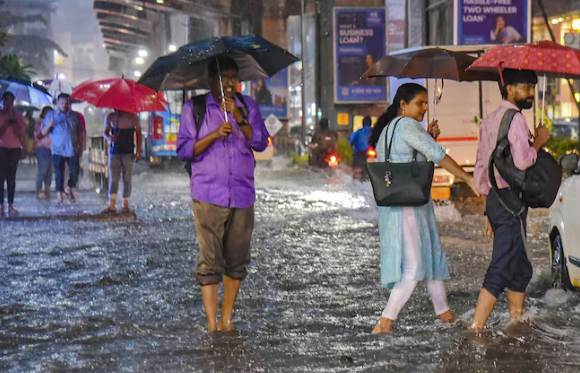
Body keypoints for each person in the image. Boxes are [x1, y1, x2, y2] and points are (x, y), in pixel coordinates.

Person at [368, 83, 478, 334]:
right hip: (408, 207)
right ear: (403, 105)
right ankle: (384, 323)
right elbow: (437, 156)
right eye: (420, 103)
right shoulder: (407, 125)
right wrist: (467, 178)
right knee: (414, 269)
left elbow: (410, 160)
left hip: (404, 204)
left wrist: (428, 136)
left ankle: (446, 316)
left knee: (432, 262)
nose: (425, 108)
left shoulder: (388, 129)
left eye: (427, 103)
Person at [176, 56, 270, 333]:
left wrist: (240, 118)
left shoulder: (247, 106)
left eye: (233, 76)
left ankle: (227, 319)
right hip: (208, 194)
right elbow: (183, 150)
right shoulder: (195, 108)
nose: (229, 82)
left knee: (237, 259)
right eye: (223, 77)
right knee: (210, 259)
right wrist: (215, 134)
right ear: (210, 80)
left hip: (242, 194)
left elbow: (262, 142)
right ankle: (212, 324)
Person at [470, 69, 550, 332]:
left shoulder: (490, 119)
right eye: (526, 88)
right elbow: (523, 161)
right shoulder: (515, 119)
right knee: (502, 263)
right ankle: (476, 328)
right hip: (511, 202)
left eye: (531, 88)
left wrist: (487, 209)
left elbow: (481, 167)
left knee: (520, 266)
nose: (530, 94)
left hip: (496, 199)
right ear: (510, 88)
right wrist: (538, 142)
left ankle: (516, 321)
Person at [41, 93, 83, 205]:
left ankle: (69, 187)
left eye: (66, 102)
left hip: (72, 148)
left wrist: (81, 146)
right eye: (62, 103)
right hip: (57, 149)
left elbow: (80, 132)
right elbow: (43, 132)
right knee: (59, 173)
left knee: (75, 172)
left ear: (69, 103)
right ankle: (59, 196)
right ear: (57, 103)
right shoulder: (51, 116)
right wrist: (49, 125)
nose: (64, 105)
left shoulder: (75, 116)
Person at [101, 110, 142, 213]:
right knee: (114, 178)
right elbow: (105, 133)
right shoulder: (110, 117)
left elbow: (138, 134)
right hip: (114, 152)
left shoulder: (133, 117)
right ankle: (112, 204)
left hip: (128, 152)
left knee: (127, 178)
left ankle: (125, 204)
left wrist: (138, 151)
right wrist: (110, 137)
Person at [0, 92, 25, 216]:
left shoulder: (18, 115)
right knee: (1, 177)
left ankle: (10, 204)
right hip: (2, 147)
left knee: (11, 177)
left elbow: (20, 133)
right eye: (5, 100)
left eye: (9, 100)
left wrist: (13, 121)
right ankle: (1, 205)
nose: (7, 103)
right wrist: (6, 122)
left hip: (15, 148)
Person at [34, 106, 54, 199]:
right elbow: (39, 135)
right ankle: (39, 190)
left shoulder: (53, 123)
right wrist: (49, 126)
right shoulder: (40, 123)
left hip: (52, 149)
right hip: (42, 148)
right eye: (48, 113)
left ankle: (47, 190)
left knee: (50, 171)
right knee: (42, 170)